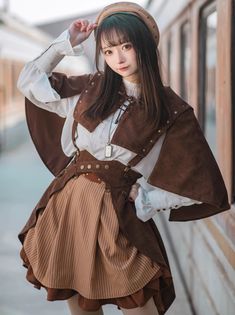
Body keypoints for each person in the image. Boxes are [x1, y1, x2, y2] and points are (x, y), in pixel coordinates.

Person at [17, 2, 230, 315]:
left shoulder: (171, 109)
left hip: (119, 214)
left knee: (140, 304)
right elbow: (30, 81)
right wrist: (68, 42)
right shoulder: (91, 88)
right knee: (80, 303)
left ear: (142, 45)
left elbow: (198, 180)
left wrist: (147, 198)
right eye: (108, 51)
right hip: (69, 205)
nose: (118, 59)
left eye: (126, 47)